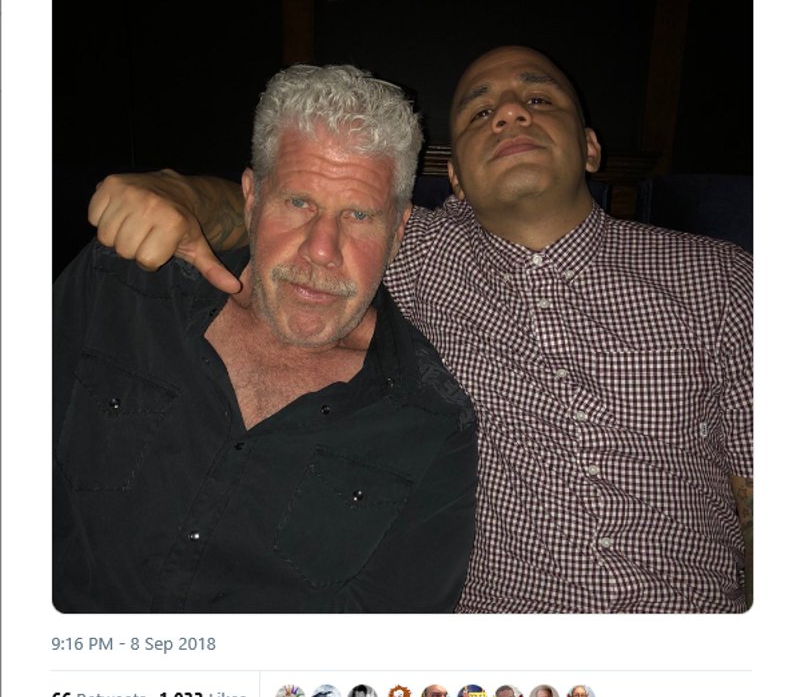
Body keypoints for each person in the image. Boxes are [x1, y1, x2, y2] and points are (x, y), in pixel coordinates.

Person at [87, 46, 753, 614]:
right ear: (455, 177)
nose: (510, 113)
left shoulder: (720, 276)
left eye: (538, 99)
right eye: (479, 113)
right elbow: (290, 210)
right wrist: (180, 197)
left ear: (590, 146)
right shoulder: (413, 249)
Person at [54, 65, 477, 612]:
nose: (321, 249)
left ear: (397, 231)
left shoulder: (430, 424)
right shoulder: (122, 287)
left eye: (358, 214)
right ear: (251, 199)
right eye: (298, 202)